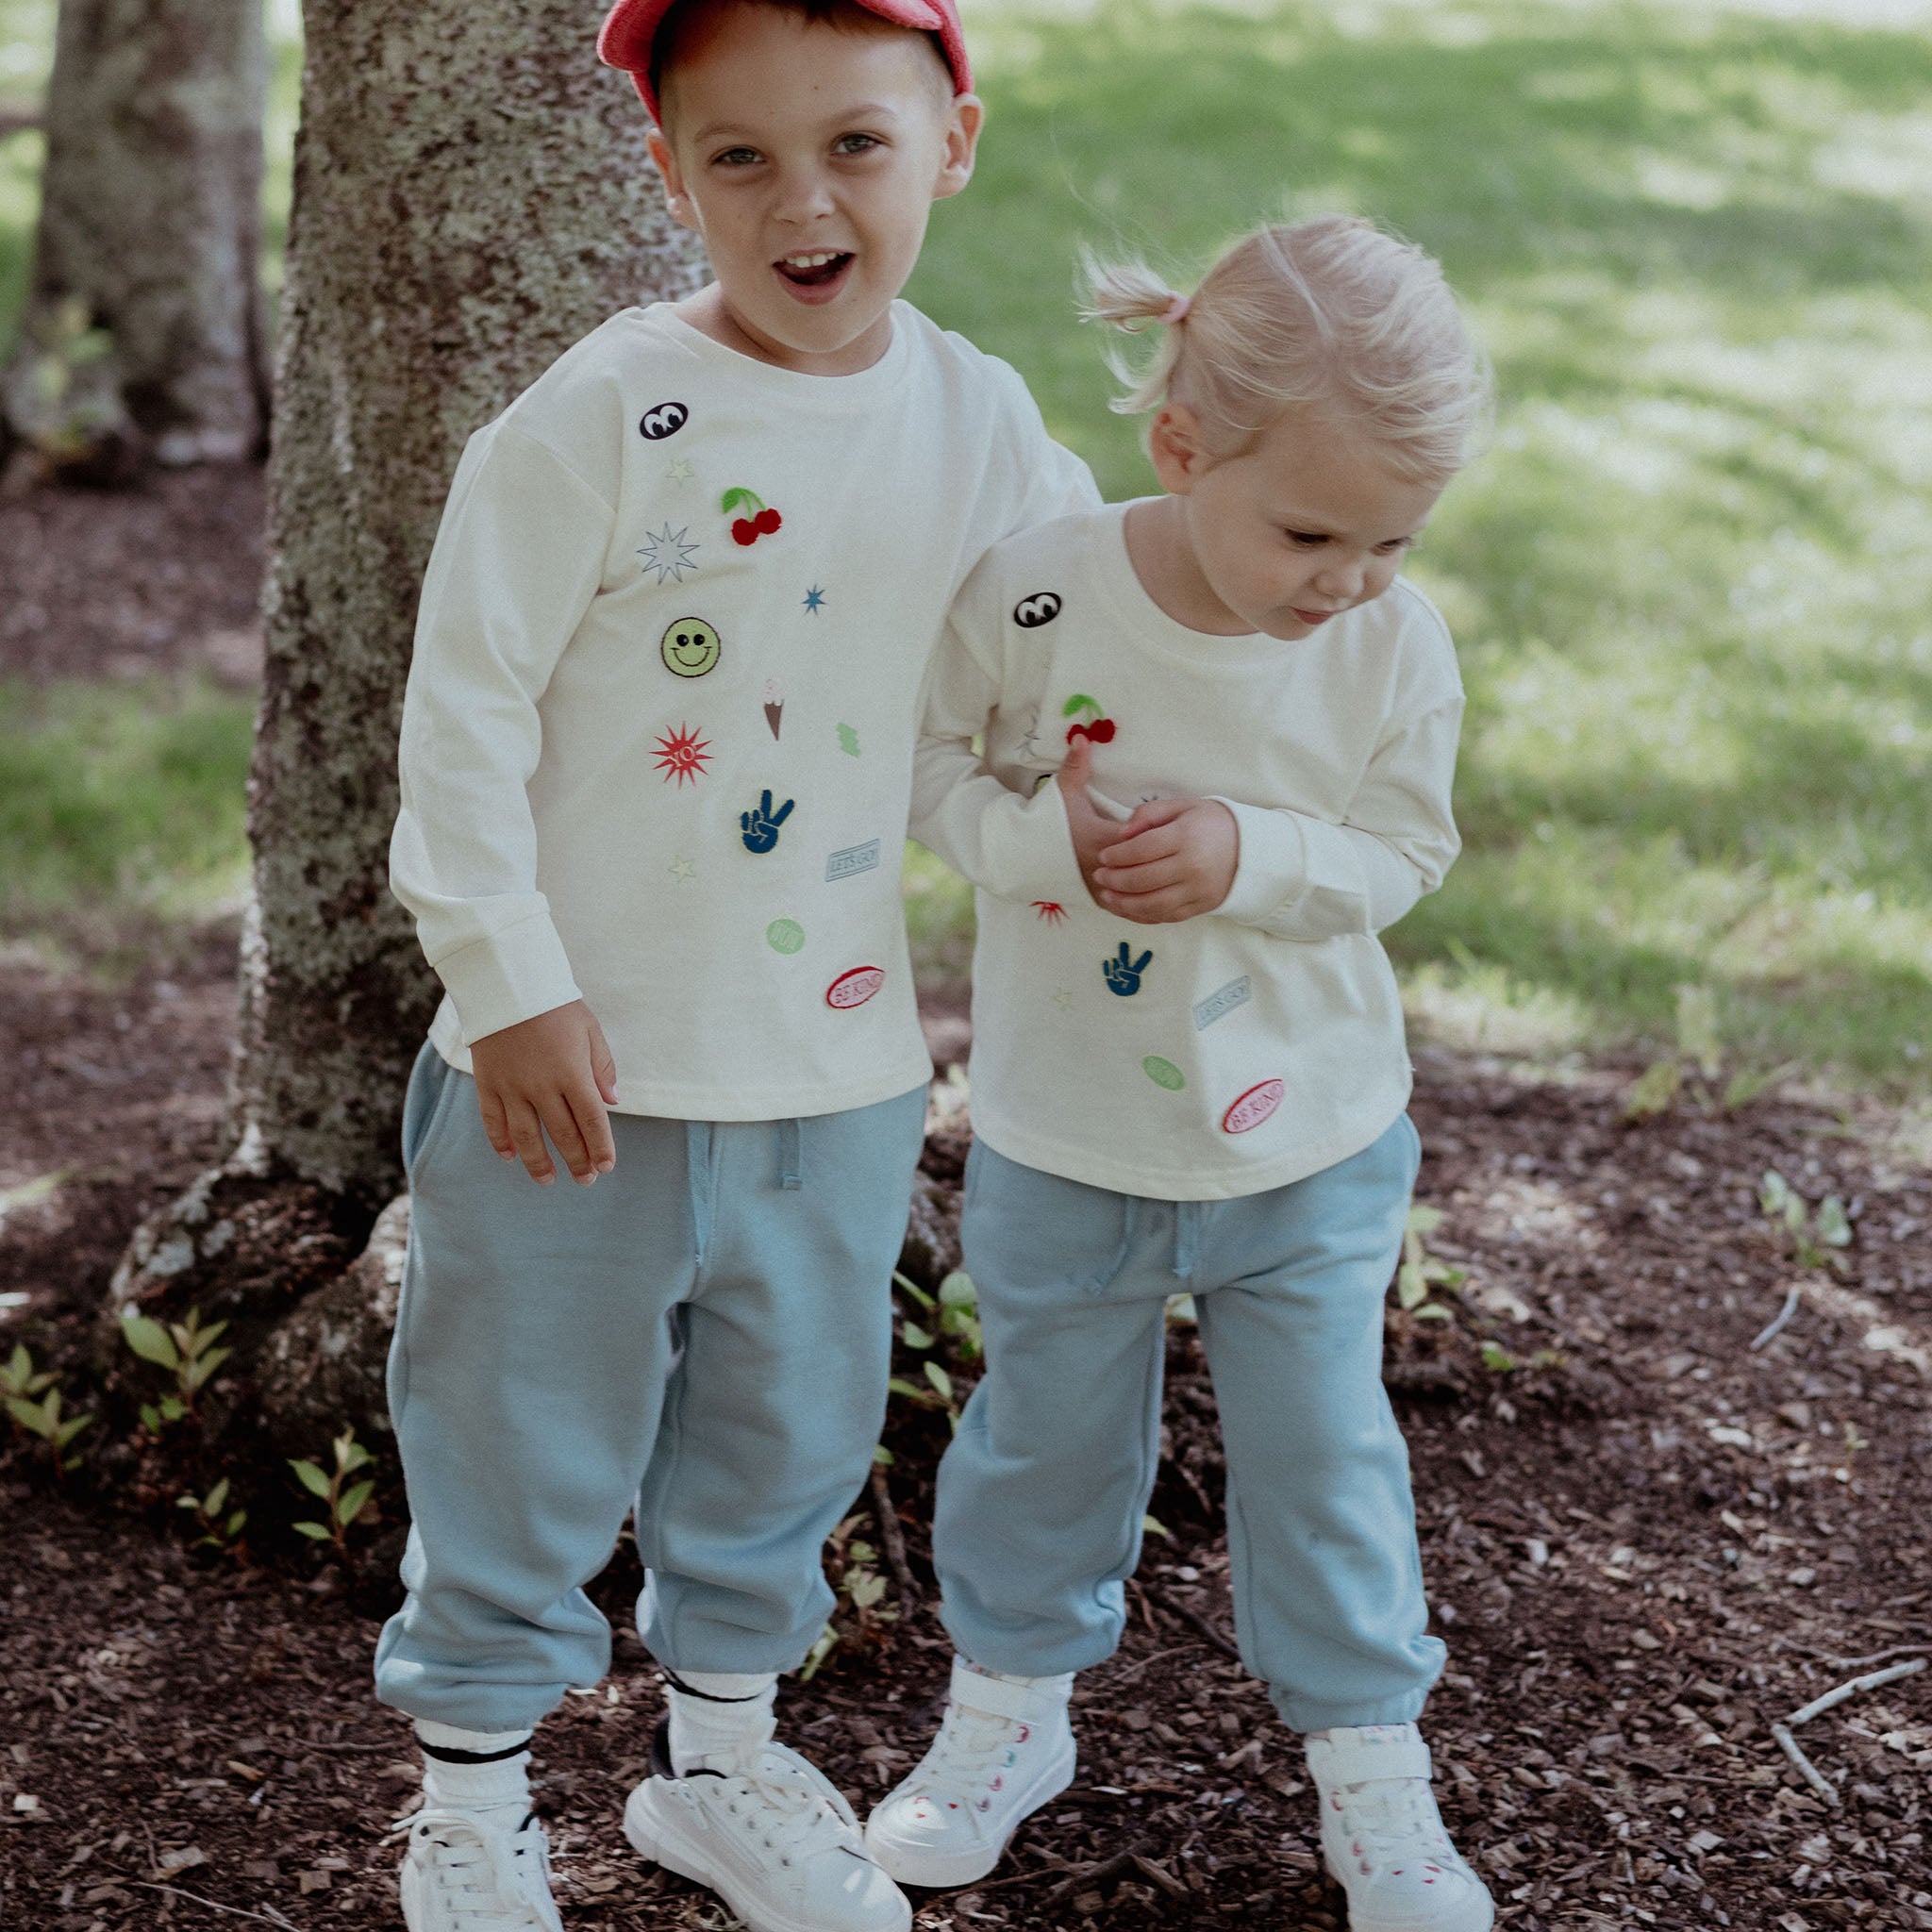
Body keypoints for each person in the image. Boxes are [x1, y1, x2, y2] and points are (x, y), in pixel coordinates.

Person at [379, 2, 1097, 1926]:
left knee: (784, 1439)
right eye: (742, 156)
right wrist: (506, 978)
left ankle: (720, 1763)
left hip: (835, 1075)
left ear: (953, 140)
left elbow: (1060, 667)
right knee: (514, 1438)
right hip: (570, 1072)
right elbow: (460, 716)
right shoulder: (600, 417)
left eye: (855, 144)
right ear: (669, 172)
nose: (804, 199)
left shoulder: (983, 422)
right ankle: (470, 1797)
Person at [866, 214, 1497, 1932]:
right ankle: (1006, 1719)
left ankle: (1372, 1765)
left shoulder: (1387, 645)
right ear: (1181, 445)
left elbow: (1401, 854)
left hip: (1310, 1143)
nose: (1347, 576)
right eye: (1311, 532)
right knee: (1042, 1439)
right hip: (1069, 1125)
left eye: (1392, 539)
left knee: (1322, 1455)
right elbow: (927, 766)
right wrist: (1028, 841)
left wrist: (1256, 858)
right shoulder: (1044, 589)